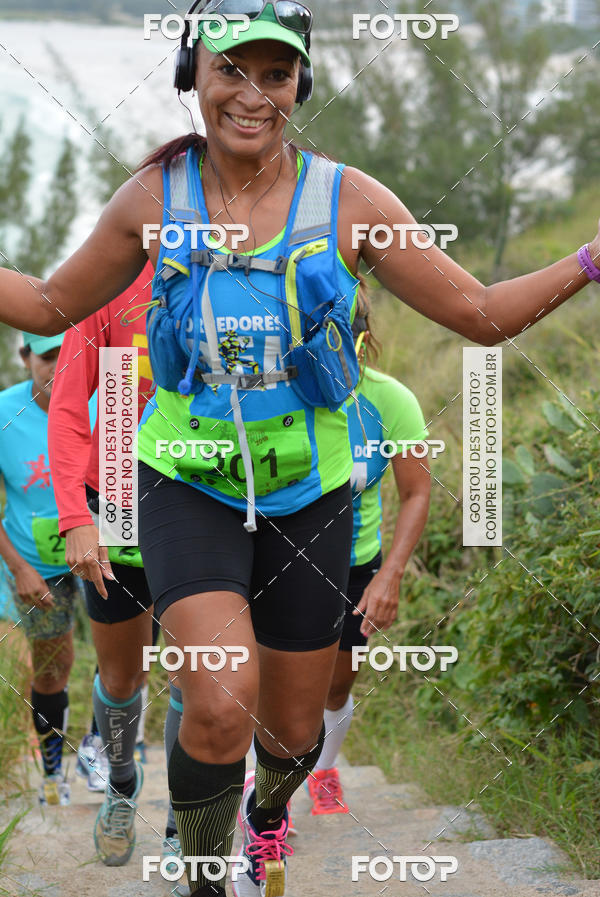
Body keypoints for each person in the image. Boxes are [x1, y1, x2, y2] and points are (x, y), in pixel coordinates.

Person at [0, 3, 598, 894]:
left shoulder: (350, 202)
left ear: (300, 86)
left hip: (311, 494)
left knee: (289, 732)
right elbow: (51, 307)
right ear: (192, 79)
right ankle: (203, 870)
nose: (252, 95)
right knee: (215, 699)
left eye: (275, 75)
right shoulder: (151, 200)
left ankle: (267, 815)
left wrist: (591, 258)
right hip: (185, 483)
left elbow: (481, 315)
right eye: (230, 72)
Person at [48, 264, 188, 892]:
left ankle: (190, 810)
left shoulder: (238, 266)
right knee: (121, 676)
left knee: (199, 670)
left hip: (204, 502)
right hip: (120, 501)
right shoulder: (107, 280)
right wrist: (76, 516)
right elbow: (70, 405)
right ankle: (124, 785)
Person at [306, 293, 431, 815]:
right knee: (266, 686)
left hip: (357, 563)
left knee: (335, 688)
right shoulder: (274, 397)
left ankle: (324, 769)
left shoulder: (391, 401)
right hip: (275, 560)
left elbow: (416, 493)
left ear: (360, 338)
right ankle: (260, 796)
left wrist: (391, 575)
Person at [0, 332, 93, 806]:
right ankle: (54, 775)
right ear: (25, 358)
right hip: (36, 567)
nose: (57, 365)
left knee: (121, 666)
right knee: (53, 670)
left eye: (68, 354)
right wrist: (17, 568)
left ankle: (101, 749)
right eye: (47, 355)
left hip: (104, 558)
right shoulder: (3, 412)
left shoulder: (105, 403)